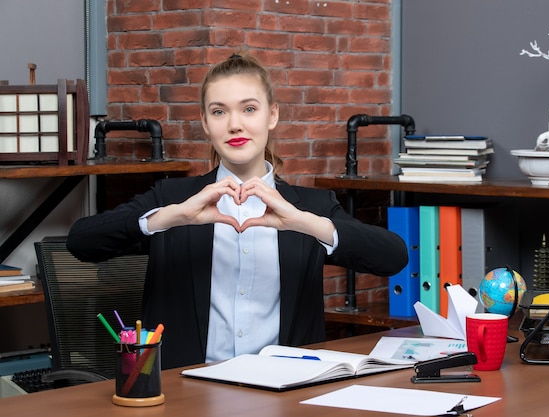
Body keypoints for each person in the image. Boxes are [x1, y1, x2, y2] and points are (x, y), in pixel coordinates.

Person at [67, 51, 409, 370]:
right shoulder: (173, 197)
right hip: (186, 392)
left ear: (272, 114)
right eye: (219, 111)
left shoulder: (311, 207)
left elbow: (393, 257)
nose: (235, 124)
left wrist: (305, 223)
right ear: (204, 122)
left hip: (285, 390)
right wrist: (173, 217)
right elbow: (81, 241)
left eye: (249, 109)